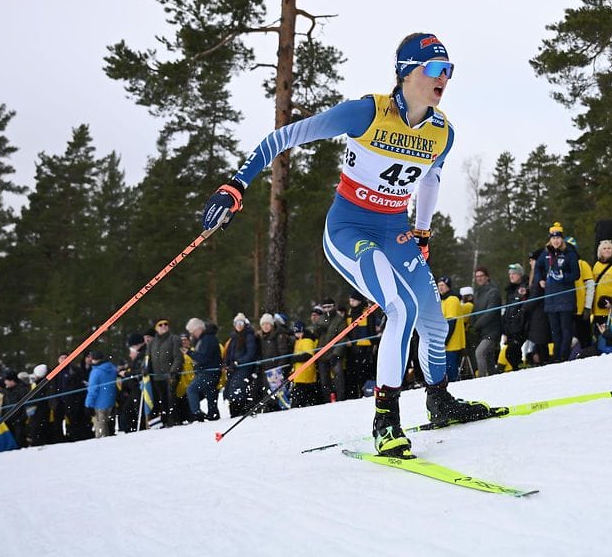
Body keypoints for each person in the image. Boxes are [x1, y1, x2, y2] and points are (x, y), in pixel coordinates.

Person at [201, 32, 494, 458]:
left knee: (433, 321)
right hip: (349, 229)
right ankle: (385, 419)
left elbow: (430, 179)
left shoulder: (442, 133)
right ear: (406, 72)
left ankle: (439, 399)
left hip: (395, 229)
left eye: (448, 70)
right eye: (434, 68)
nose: (443, 78)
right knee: (401, 309)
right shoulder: (365, 113)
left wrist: (424, 233)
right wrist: (235, 185)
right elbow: (283, 137)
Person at [535, 223, 580, 362]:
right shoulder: (545, 253)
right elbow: (538, 268)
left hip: (565, 297)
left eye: (558, 238)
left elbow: (576, 274)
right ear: (550, 239)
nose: (556, 241)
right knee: (555, 331)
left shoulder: (569, 252)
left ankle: (563, 356)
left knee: (566, 329)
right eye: (553, 238)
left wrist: (564, 277)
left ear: (562, 239)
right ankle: (556, 356)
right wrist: (540, 280)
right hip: (550, 298)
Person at [184, 317, 221, 422]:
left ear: (199, 329)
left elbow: (203, 358)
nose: (192, 334)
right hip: (211, 372)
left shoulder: (207, 339)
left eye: (193, 332)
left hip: (208, 373)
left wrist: (189, 352)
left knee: (191, 389)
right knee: (210, 395)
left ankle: (197, 414)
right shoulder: (206, 339)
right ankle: (213, 415)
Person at [148, 318, 182, 427]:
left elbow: (178, 357)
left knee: (171, 397)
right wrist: (144, 369)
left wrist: (174, 370)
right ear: (156, 328)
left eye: (166, 324)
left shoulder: (174, 339)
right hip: (157, 376)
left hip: (170, 375)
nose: (164, 326)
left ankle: (174, 420)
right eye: (160, 325)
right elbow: (148, 359)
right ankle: (165, 420)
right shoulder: (152, 342)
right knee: (162, 399)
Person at [223, 313, 258, 417]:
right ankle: (234, 411)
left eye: (241, 322)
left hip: (244, 368)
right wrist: (226, 363)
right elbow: (229, 353)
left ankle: (240, 411)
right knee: (231, 390)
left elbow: (251, 354)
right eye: (237, 323)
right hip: (234, 369)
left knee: (239, 390)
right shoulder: (233, 338)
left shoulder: (249, 336)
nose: (239, 325)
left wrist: (238, 362)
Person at [471, 266, 503, 377]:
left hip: (492, 330)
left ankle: (481, 378)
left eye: (481, 276)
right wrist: (472, 322)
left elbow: (491, 312)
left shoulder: (493, 291)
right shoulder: (477, 293)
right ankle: (493, 377)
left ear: (487, 277)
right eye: (477, 277)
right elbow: (474, 310)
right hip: (482, 331)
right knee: (488, 357)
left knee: (480, 352)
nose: (479, 279)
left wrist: (476, 325)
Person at [84, 350, 117, 439]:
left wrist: (88, 405)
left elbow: (92, 390)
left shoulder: (96, 372)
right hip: (110, 401)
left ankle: (101, 443)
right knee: (107, 424)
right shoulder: (112, 368)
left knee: (100, 428)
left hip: (99, 404)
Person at [501, 264, 529, 370]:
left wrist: (518, 321)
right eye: (510, 274)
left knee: (511, 351)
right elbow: (508, 310)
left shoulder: (524, 287)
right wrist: (505, 330)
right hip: (511, 328)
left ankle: (520, 368)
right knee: (510, 353)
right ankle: (518, 368)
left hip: (520, 327)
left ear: (520, 275)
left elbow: (524, 308)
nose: (511, 276)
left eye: (514, 274)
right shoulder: (510, 290)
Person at [289, 321, 322, 408]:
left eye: (299, 332)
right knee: (299, 397)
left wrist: (294, 358)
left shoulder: (307, 340)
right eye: (296, 333)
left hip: (306, 374)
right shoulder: (298, 340)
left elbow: (308, 355)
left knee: (302, 396)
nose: (298, 335)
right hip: (299, 374)